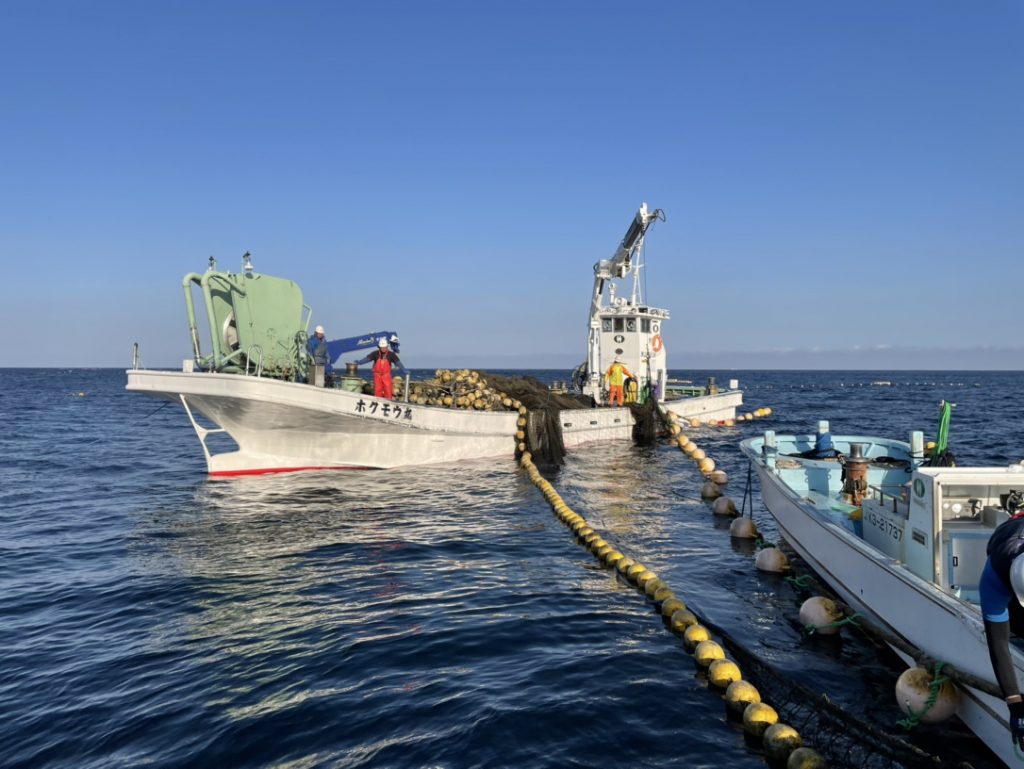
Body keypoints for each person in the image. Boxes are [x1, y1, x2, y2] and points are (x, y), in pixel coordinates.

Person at [979, 503, 1024, 752]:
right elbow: (998, 643)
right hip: (1008, 536)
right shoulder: (994, 577)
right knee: (1016, 626)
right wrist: (1015, 705)